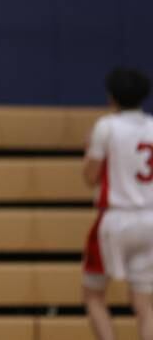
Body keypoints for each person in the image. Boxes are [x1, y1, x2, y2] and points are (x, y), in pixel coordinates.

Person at [82, 68, 153, 340]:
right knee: (144, 306)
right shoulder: (151, 127)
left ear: (111, 97)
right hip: (150, 219)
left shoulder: (106, 127)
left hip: (117, 219)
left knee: (93, 294)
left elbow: (90, 177)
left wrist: (87, 151)